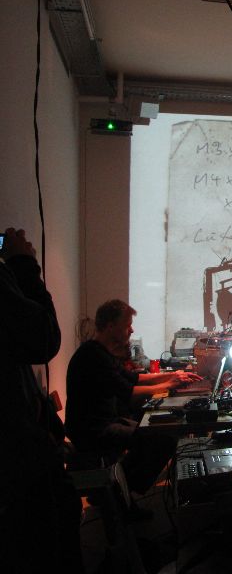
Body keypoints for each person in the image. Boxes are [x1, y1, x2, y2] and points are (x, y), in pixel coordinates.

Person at [0, 228, 83, 572]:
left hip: (22, 454)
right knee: (46, 540)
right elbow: (42, 337)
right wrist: (23, 264)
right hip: (18, 463)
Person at [65, 299, 201, 500]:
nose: (131, 330)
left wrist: (173, 375)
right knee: (164, 440)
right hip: (93, 430)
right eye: (127, 325)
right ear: (111, 326)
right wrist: (169, 385)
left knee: (157, 431)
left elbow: (134, 378)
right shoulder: (93, 356)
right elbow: (128, 391)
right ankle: (118, 492)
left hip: (104, 422)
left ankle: (119, 489)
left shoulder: (100, 352)